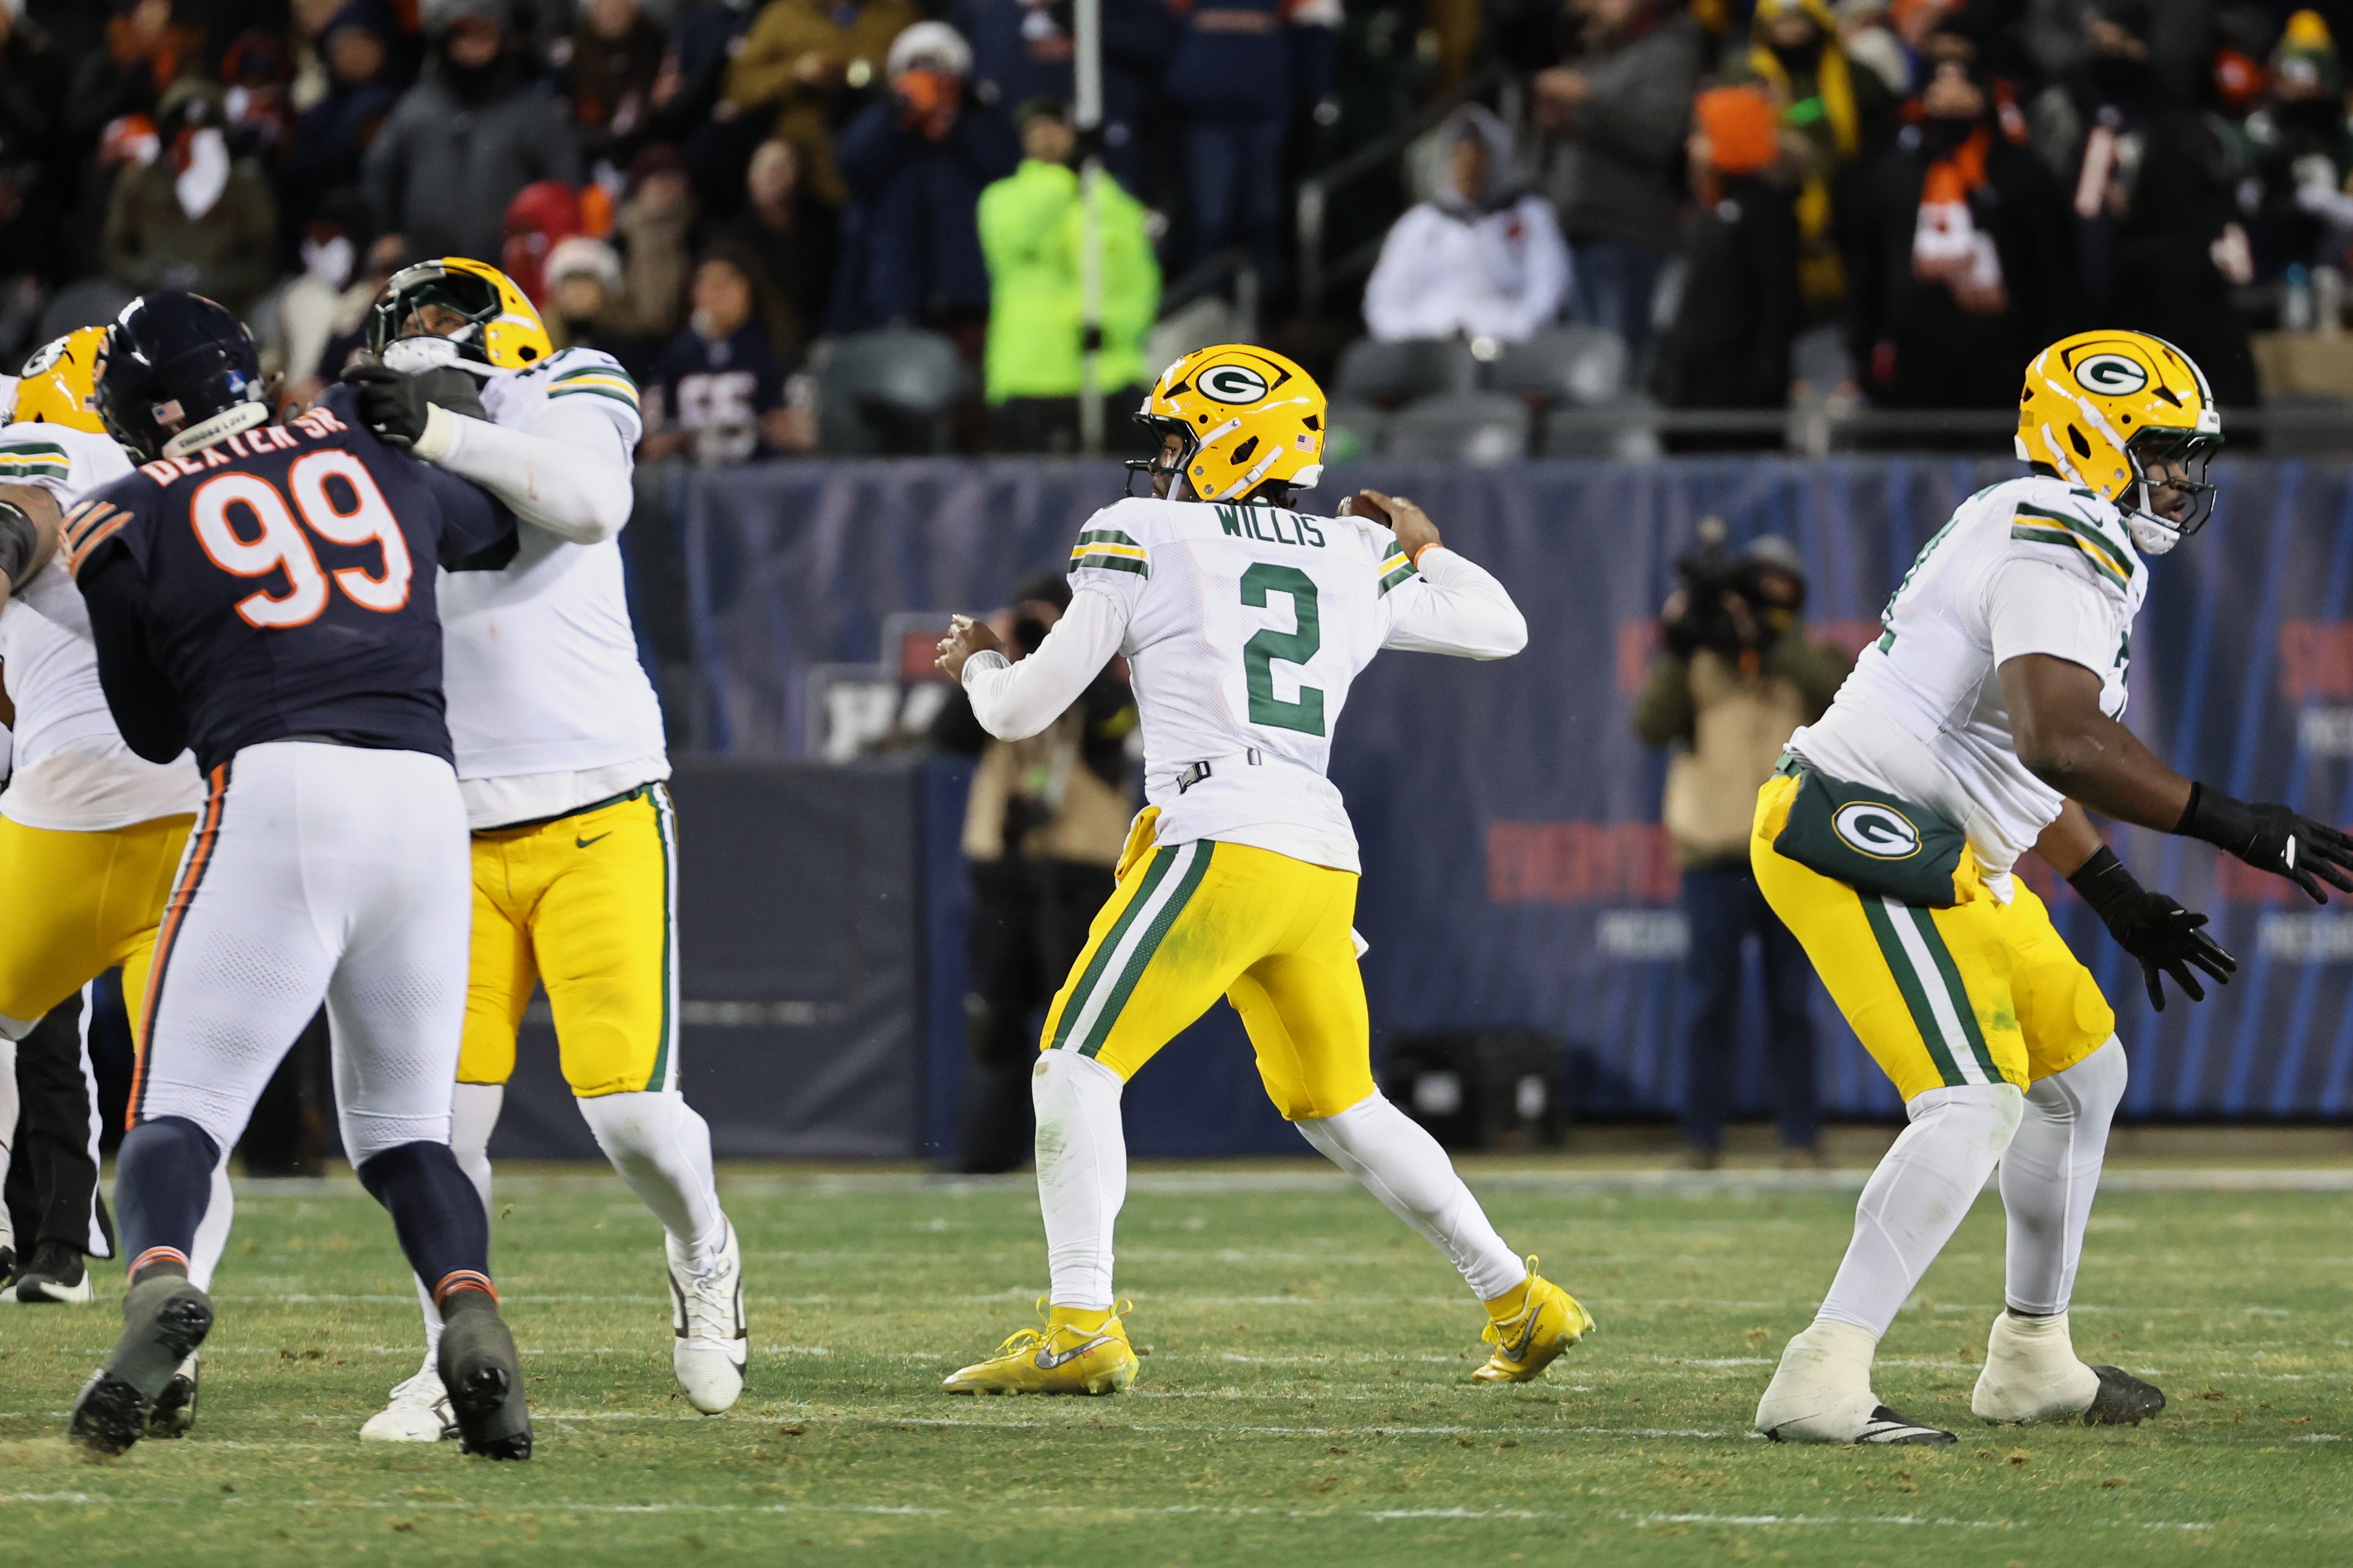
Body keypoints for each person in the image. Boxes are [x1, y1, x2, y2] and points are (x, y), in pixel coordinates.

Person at [930, 344, 1591, 1395]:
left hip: (1219, 833)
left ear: (1237, 439)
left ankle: (1079, 1324)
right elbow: (1501, 630)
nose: (1164, 465)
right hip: (1319, 855)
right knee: (1344, 1104)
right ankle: (1519, 1301)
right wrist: (1425, 547)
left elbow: (1018, 712)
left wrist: (977, 661)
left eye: (1181, 438)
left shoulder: (1141, 532)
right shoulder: (1348, 551)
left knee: (1072, 1065)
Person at [1747, 331, 2353, 1443]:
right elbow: (2058, 738)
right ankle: (1818, 1374)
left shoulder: (2038, 523)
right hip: (1854, 828)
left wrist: (2110, 886)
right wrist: (2234, 826)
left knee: (2078, 1074)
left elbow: (2013, 755)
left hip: (1946, 845)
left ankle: (2031, 1355)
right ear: (2092, 439)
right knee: (1972, 1100)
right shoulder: (2056, 539)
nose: (2182, 479)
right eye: (2164, 453)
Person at [55, 291, 530, 1459]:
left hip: (273, 791)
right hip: (425, 796)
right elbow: (499, 528)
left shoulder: (119, 513)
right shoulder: (367, 440)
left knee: (179, 1111)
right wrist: (431, 423)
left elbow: (155, 731)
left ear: (131, 408)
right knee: (408, 1131)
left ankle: (162, 1279)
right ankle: (467, 1304)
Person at [338, 256, 746, 1442]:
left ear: (501, 326)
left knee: (628, 1115)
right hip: (442, 822)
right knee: (438, 1130)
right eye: (403, 321)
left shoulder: (572, 382)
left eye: (442, 315)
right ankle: (449, 1354)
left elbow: (589, 503)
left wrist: (441, 435)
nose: (422, 334)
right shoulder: (375, 438)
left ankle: (703, 1249)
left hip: (596, 802)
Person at [0, 329, 205, 1321]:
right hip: (204, 802)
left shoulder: (55, 448)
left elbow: (15, 524)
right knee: (187, 1093)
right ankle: (173, 1314)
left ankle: (42, 1234)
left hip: (75, 805)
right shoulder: (196, 469)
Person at [1635, 534, 1848, 1166]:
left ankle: (1801, 1139)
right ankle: (1700, 1140)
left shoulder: (1808, 656)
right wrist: (1683, 649)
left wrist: (1768, 641)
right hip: (1712, 851)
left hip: (1791, 854)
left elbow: (1837, 694)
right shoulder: (1698, 659)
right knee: (1708, 1003)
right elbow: (1650, 725)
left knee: (1792, 1002)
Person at [928, 573, 1135, 1174]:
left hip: (1077, 875)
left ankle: (1077, 1157)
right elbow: (946, 735)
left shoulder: (1101, 693)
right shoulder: (1001, 690)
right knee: (992, 1016)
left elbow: (1112, 721)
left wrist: (1065, 651)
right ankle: (987, 1153)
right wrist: (990, 661)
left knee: (1075, 1025)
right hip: (1003, 874)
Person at [2028, 0, 2259, 409]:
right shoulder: (2063, 115)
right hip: (2086, 301)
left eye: (2121, 42)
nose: (2110, 54)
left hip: (2166, 304)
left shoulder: (2179, 130)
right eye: (2099, 42)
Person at [1846, 40, 2081, 411]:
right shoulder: (1893, 175)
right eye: (1940, 83)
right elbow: (1868, 267)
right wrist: (1863, 349)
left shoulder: (2020, 174)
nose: (1952, 96)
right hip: (1915, 362)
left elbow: (2055, 271)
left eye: (1963, 84)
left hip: (2005, 359)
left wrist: (2052, 358)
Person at [978, 99, 1160, 453]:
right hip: (1030, 371)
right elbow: (1021, 237)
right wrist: (1065, 178)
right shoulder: (1002, 198)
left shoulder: (1113, 202)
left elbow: (1138, 278)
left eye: (1056, 127)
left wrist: (1118, 326)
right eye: (1036, 128)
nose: (1047, 137)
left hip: (1106, 371)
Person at [1525, 0, 1706, 358]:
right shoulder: (1597, 55)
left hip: (1625, 233)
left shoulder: (1668, 50)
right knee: (1573, 369)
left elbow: (1657, 137)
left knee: (1613, 364)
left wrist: (1587, 100)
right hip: (1570, 230)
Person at [828, 22, 1019, 338]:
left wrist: (957, 123)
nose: (929, 77)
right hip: (898, 296)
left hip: (972, 295)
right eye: (918, 68)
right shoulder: (884, 120)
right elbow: (852, 163)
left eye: (939, 69)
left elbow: (1008, 168)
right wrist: (898, 116)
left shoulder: (983, 118)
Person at [363, 0, 583, 265]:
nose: (472, 45)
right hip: (425, 272)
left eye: (484, 35)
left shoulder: (533, 110)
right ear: (446, 40)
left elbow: (565, 187)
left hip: (512, 274)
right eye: (462, 35)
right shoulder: (417, 107)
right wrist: (385, 233)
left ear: (503, 40)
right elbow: (379, 175)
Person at [1164, 0, 1339, 295]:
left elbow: (1315, 26)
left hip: (1266, 107)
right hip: (1207, 111)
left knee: (1263, 216)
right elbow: (1159, 23)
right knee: (1211, 219)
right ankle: (1205, 310)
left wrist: (1317, 91)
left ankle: (1261, 312)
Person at [1361, 103, 1571, 344]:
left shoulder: (1530, 215)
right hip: (1428, 346)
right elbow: (1384, 297)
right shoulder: (1420, 223)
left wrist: (1516, 330)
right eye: (1461, 159)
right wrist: (1408, 341)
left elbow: (1548, 287)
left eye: (1479, 158)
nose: (1470, 170)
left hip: (1505, 344)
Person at [1653, 84, 1800, 419]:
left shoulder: (1766, 211)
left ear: (1731, 135)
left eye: (1703, 133)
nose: (1692, 145)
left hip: (1738, 395)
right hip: (1696, 386)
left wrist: (1767, 373)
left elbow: (1778, 299)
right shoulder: (1712, 210)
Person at [102, 79, 281, 323]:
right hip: (147, 305)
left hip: (225, 311)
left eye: (205, 134)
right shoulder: (139, 179)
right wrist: (144, 271)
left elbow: (265, 261)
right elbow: (114, 248)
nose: (193, 143)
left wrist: (216, 279)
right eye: (182, 133)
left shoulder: (245, 184)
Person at [723, 0, 920, 208]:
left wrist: (874, 75)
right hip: (804, 163)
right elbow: (738, 86)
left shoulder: (898, 12)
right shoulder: (785, 13)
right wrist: (794, 74)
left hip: (882, 153)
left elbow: (926, 71)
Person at [642, 248, 809, 463]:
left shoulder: (776, 346)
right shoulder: (680, 352)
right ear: (694, 294)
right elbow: (655, 435)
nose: (717, 290)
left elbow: (797, 432)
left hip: (761, 481)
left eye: (727, 281)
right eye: (707, 282)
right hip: (690, 484)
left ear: (749, 288)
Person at [717, 138, 838, 358]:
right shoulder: (735, 237)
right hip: (754, 339)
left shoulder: (822, 226)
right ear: (752, 178)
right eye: (767, 170)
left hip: (816, 333)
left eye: (783, 168)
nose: (775, 177)